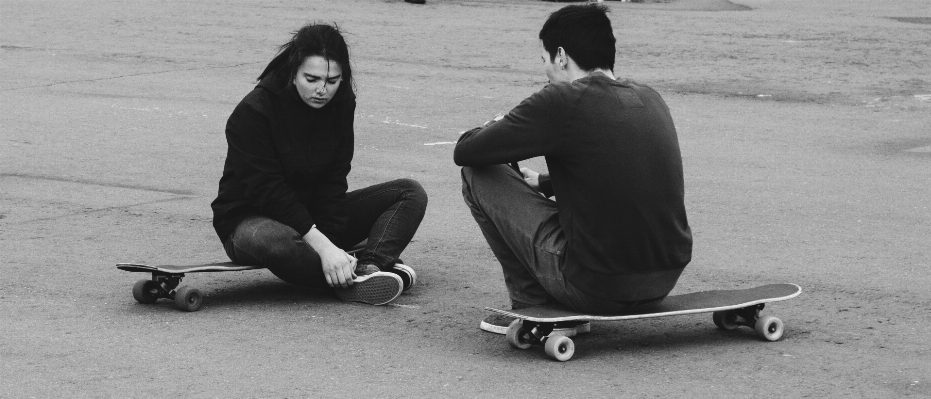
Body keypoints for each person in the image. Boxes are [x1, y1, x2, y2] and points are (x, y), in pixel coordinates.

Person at [454, 4, 692, 334]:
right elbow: (623, 167)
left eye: (545, 61)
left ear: (561, 56)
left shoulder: (562, 98)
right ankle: (552, 298)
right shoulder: (649, 97)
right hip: (663, 278)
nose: (546, 72)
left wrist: (494, 124)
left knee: (477, 174)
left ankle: (532, 304)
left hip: (597, 288)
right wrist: (546, 182)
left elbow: (466, 151)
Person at [211, 23, 428, 306]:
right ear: (293, 71)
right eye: (311, 79)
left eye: (332, 81)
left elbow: (334, 180)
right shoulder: (254, 111)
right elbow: (267, 191)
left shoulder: (341, 102)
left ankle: (369, 268)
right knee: (277, 240)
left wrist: (331, 240)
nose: (321, 90)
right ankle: (352, 279)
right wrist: (323, 246)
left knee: (409, 192)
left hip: (314, 217)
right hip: (250, 220)